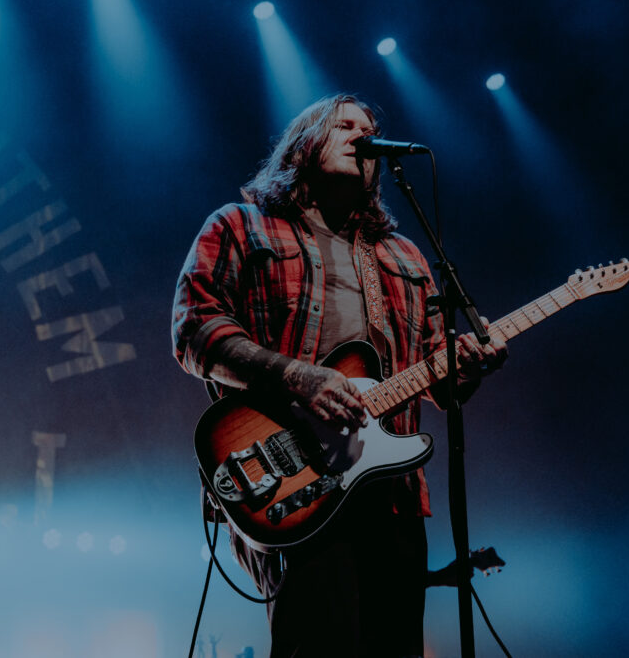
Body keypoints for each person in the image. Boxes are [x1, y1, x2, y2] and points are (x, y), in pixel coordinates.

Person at [172, 94, 507, 657]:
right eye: (345, 125)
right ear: (305, 144)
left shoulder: (404, 258)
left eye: (370, 129)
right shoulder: (241, 225)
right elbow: (194, 330)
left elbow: (442, 384)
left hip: (392, 492)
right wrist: (298, 378)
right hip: (290, 477)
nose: (362, 135)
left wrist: (468, 365)